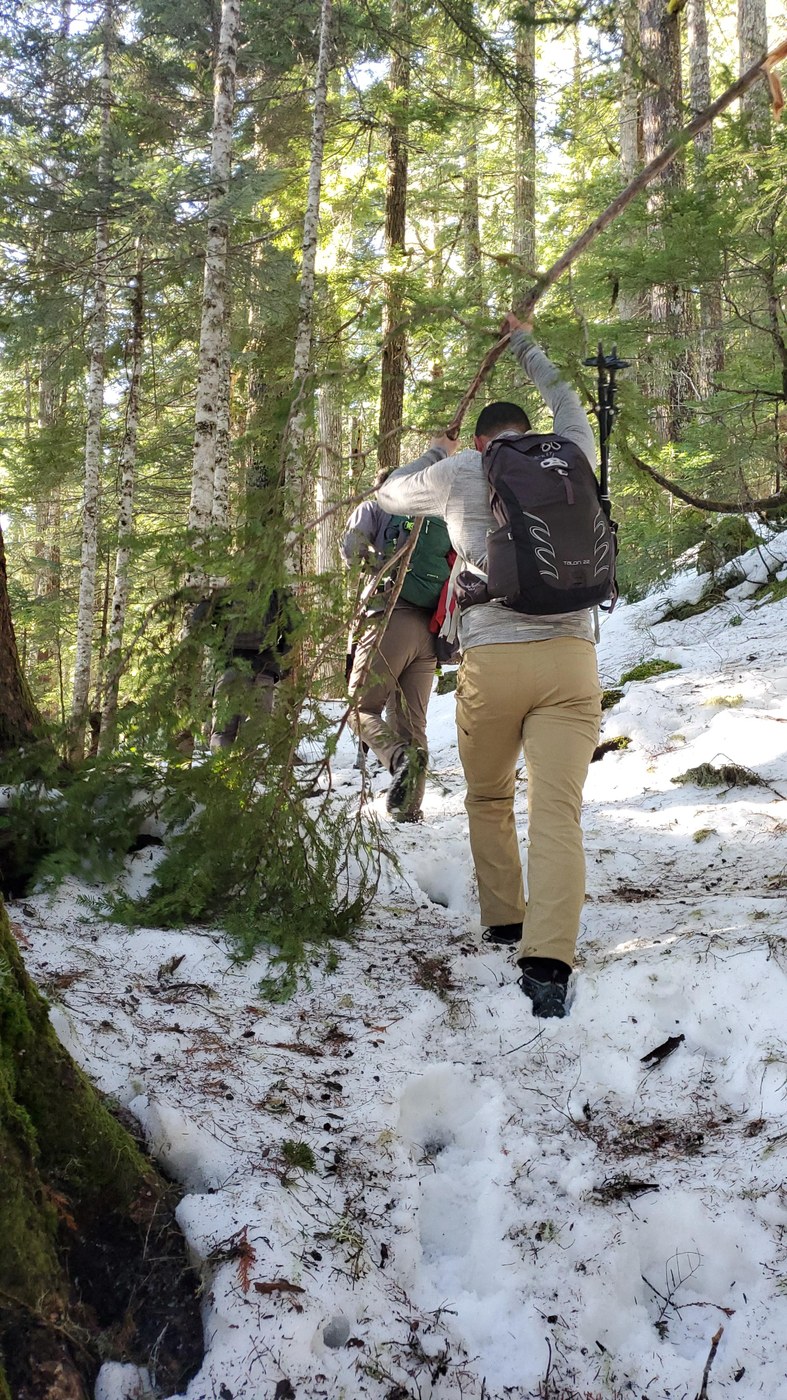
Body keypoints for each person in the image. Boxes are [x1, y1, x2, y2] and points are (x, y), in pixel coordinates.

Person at [376, 314, 602, 1018]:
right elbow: (568, 399)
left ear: (480, 442)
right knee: (557, 812)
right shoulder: (572, 452)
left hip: (492, 659)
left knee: (489, 797)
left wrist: (432, 453)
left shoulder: (461, 472)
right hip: (572, 661)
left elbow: (386, 496)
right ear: (531, 434)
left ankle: (505, 920)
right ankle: (548, 964)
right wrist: (525, 342)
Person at [342, 501, 451, 821]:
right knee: (411, 724)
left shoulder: (376, 505)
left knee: (359, 708)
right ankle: (408, 811)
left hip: (390, 616)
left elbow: (352, 549)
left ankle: (399, 759)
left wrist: (374, 566)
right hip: (430, 629)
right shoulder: (436, 508)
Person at [196, 581, 300, 752]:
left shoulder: (225, 591)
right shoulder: (278, 593)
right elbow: (295, 627)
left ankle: (220, 766)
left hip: (229, 667)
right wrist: (276, 652)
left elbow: (198, 619)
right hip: (264, 669)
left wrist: (218, 646)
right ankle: (246, 764)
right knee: (253, 730)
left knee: (222, 731)